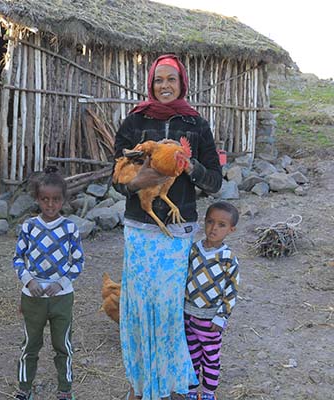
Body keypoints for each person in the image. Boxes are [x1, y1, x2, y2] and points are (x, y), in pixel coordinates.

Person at [113, 54, 223, 400]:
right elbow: (115, 176)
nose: (164, 85)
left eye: (170, 79)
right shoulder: (134, 122)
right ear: (150, 83)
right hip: (140, 229)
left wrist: (189, 168)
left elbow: (215, 182)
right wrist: (135, 182)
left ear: (181, 83)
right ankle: (142, 383)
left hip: (177, 233)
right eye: (158, 80)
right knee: (138, 308)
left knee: (170, 308)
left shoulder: (196, 124)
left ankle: (171, 382)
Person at [12, 166, 84, 400]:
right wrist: (28, 280)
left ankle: (65, 390)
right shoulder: (29, 226)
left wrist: (62, 282)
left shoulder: (70, 228)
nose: (50, 205)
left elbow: (78, 261)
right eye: (45, 199)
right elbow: (17, 258)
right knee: (30, 345)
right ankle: (24, 390)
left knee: (63, 345)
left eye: (55, 200)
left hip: (61, 298)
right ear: (37, 199)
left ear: (63, 200)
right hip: (32, 297)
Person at [184, 201, 240, 400]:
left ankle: (208, 392)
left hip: (210, 321)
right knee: (190, 355)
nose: (214, 228)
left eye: (221, 225)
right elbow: (183, 277)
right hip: (188, 315)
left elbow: (231, 291)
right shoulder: (193, 250)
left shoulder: (228, 258)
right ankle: (191, 390)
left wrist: (221, 317)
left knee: (210, 356)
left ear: (231, 229)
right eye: (210, 222)